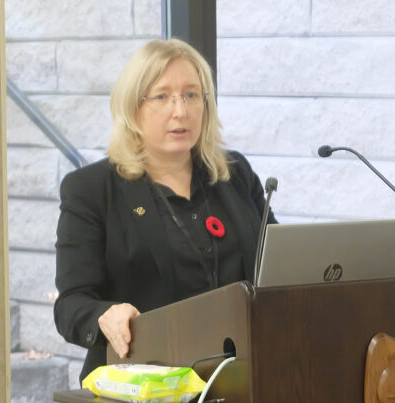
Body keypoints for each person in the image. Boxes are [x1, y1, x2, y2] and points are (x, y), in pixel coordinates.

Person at [53, 38, 276, 383]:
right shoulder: (92, 190)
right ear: (133, 108)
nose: (181, 111)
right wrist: (106, 315)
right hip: (143, 383)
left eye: (191, 95)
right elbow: (70, 305)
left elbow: (277, 267)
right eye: (162, 97)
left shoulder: (234, 174)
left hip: (239, 379)